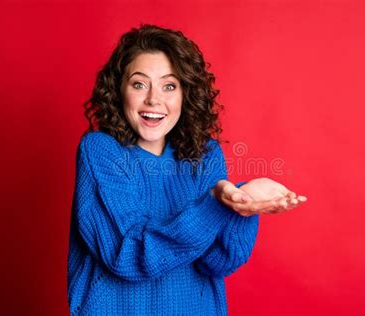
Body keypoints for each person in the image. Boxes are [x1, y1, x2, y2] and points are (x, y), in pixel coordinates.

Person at [67, 24, 307, 315]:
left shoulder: (205, 156)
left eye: (169, 86)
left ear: (185, 94)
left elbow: (217, 262)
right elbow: (127, 254)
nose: (154, 99)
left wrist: (243, 205)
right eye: (139, 84)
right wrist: (217, 204)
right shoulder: (101, 151)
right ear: (119, 90)